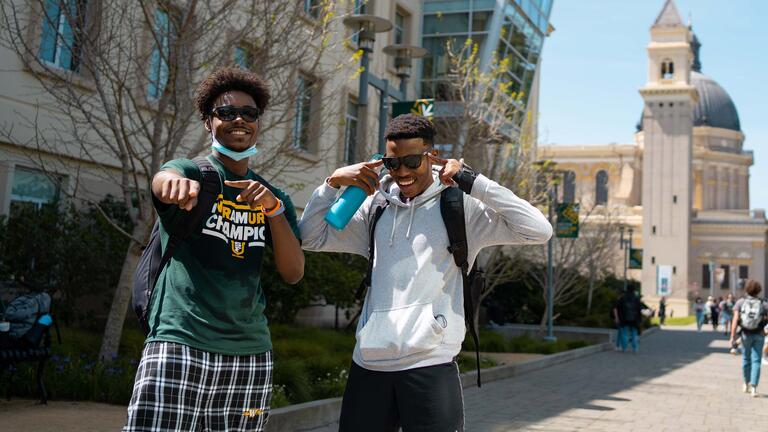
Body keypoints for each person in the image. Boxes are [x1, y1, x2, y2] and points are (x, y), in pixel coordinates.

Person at [299, 114, 552, 431]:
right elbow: (310, 237)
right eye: (393, 163)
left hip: (430, 362)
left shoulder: (460, 207)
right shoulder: (374, 208)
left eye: (412, 161)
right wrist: (332, 183)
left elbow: (538, 230)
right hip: (369, 362)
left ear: (431, 156)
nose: (402, 172)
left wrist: (473, 181)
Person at [123, 68, 304, 432]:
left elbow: (293, 272)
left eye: (249, 114)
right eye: (226, 112)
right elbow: (165, 177)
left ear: (258, 123)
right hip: (180, 344)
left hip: (251, 356)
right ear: (209, 122)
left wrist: (275, 212)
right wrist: (171, 184)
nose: (239, 120)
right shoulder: (195, 173)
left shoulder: (274, 197)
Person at [730, 280, 768, 398]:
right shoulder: (764, 303)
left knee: (746, 359)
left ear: (747, 289)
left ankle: (746, 383)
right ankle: (754, 388)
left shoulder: (740, 302)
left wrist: (732, 336)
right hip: (759, 334)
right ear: (759, 290)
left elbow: (735, 320)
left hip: (745, 334)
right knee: (756, 360)